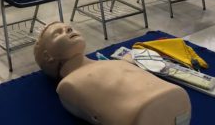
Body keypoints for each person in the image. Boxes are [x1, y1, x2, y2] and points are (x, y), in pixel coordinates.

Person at [34, 22, 191, 125]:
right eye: (57, 33)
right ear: (48, 57)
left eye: (69, 27)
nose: (68, 30)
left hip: (175, 100)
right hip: (145, 114)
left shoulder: (110, 62)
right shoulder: (68, 85)